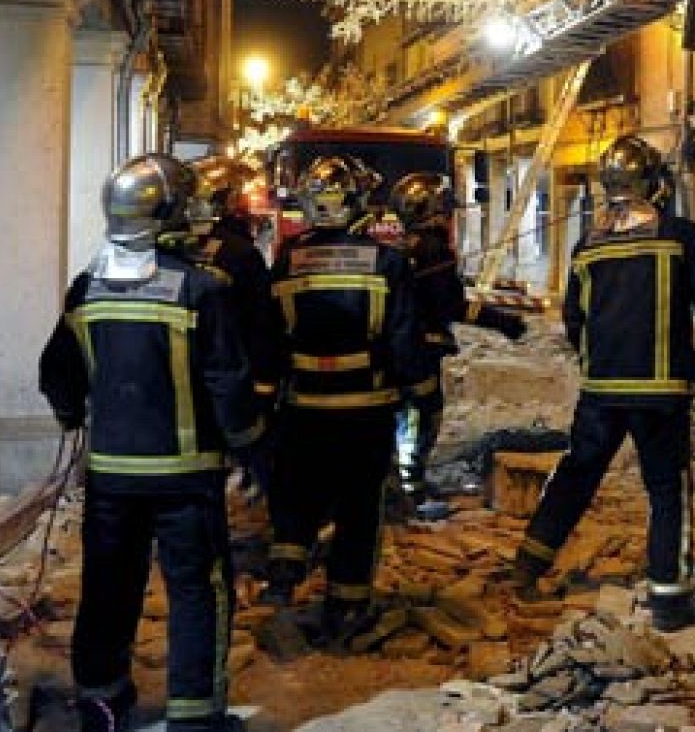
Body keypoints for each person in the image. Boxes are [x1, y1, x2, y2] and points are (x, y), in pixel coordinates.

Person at [39, 154, 267, 732]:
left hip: (111, 474)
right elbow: (228, 382)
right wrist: (250, 447)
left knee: (108, 583)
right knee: (198, 589)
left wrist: (71, 413)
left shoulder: (87, 285)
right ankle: (194, 716)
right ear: (166, 213)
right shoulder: (199, 288)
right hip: (187, 476)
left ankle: (100, 699)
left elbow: (56, 371)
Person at [509, 135, 695, 632]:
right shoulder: (678, 234)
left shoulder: (588, 244)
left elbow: (573, 316)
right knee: (665, 489)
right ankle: (669, 599)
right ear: (654, 184)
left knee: (576, 475)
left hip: (601, 390)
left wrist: (598, 358)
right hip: (660, 391)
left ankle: (527, 566)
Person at [261, 155, 425, 651]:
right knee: (359, 504)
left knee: (298, 489)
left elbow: (268, 339)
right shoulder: (388, 262)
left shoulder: (287, 260)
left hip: (305, 404)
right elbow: (403, 339)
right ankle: (346, 602)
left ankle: (284, 576)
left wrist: (267, 398)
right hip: (366, 407)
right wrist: (420, 391)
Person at [387, 172, 528, 519]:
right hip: (419, 348)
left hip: (399, 345)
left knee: (405, 414)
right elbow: (451, 304)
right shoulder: (433, 248)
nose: (450, 216)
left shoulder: (405, 246)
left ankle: (403, 486)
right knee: (422, 415)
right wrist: (504, 323)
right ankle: (411, 495)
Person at [186, 155, 285, 481]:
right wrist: (266, 383)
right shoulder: (240, 253)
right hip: (233, 376)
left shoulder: (170, 250)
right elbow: (262, 323)